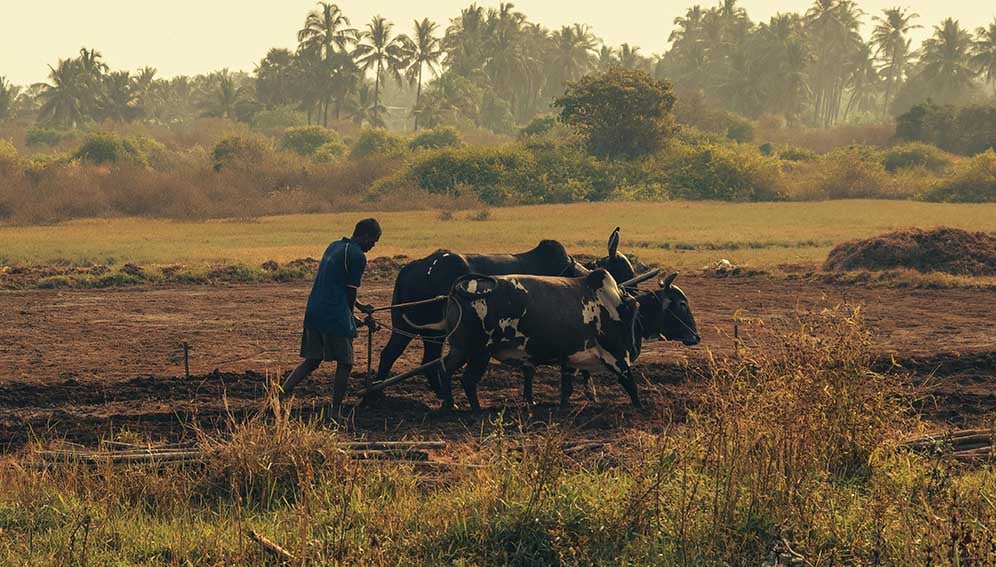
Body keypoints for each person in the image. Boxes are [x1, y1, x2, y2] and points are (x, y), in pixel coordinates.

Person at [281, 218, 381, 415]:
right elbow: (349, 293)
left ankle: (279, 394)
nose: (373, 245)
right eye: (374, 241)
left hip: (314, 309)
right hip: (333, 313)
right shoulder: (358, 256)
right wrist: (352, 317)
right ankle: (336, 410)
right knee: (346, 363)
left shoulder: (335, 246)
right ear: (365, 236)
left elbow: (338, 283)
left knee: (312, 360)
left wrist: (360, 307)